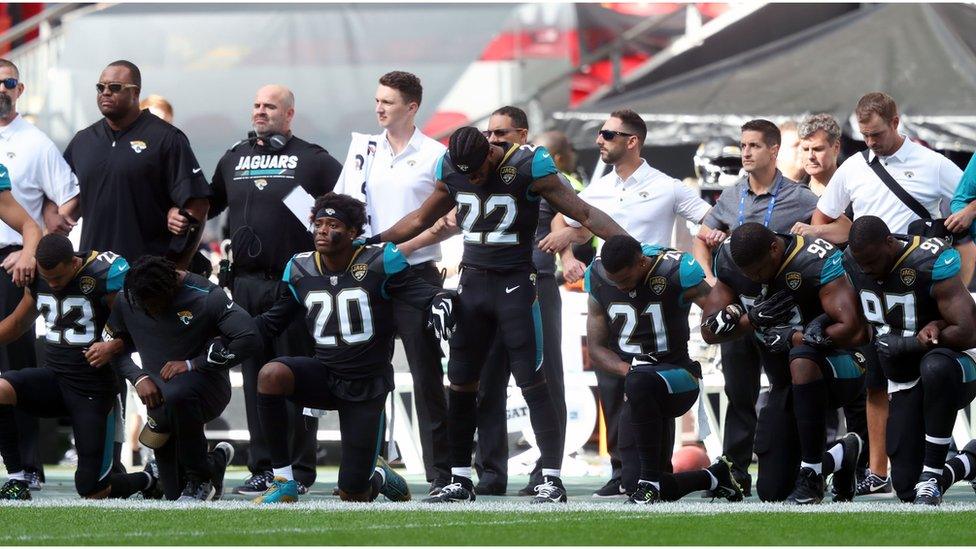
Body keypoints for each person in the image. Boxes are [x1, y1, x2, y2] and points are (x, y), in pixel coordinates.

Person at [361, 126, 627, 503]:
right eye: (464, 173)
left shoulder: (527, 163)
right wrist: (373, 243)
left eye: (477, 172)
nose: (472, 179)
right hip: (472, 285)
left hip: (516, 285)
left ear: (489, 151)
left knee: (533, 383)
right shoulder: (450, 167)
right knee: (461, 383)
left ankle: (551, 477)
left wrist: (626, 243)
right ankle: (458, 477)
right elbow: (421, 218)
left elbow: (581, 211)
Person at [541, 109, 711, 498]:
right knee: (612, 382)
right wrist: (568, 256)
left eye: (608, 134)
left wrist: (704, 255)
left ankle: (653, 469)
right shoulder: (597, 188)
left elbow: (709, 221)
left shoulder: (668, 186)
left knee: (654, 380)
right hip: (609, 293)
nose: (599, 140)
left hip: (659, 298)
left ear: (632, 141)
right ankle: (622, 469)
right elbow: (562, 221)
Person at [811, 92, 974, 495]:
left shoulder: (933, 164)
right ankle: (879, 469)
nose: (871, 142)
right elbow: (825, 217)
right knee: (877, 378)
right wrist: (824, 238)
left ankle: (940, 463)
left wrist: (962, 277)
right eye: (864, 135)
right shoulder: (853, 166)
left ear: (896, 122)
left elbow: (964, 216)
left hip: (923, 283)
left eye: (878, 133)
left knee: (931, 367)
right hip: (873, 284)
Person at [249, 192, 454, 504]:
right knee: (271, 374)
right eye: (318, 223)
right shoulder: (300, 268)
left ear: (354, 233)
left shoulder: (380, 261)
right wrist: (229, 335)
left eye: (333, 224)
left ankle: (380, 476)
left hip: (366, 385)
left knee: (352, 494)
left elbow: (420, 292)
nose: (322, 230)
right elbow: (273, 321)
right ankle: (283, 480)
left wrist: (440, 299)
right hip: (323, 375)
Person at [203, 84, 342, 497]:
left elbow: (350, 202)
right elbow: (207, 204)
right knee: (254, 375)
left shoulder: (313, 159)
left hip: (295, 283)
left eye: (270, 106)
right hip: (243, 284)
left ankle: (298, 468)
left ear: (290, 114)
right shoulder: (233, 156)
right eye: (257, 105)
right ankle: (264, 467)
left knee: (294, 376)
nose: (261, 112)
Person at [333, 71, 452, 495]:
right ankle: (365, 469)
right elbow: (345, 206)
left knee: (425, 374)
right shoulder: (364, 150)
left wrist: (399, 250)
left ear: (412, 106)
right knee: (365, 373)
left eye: (388, 101)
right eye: (377, 100)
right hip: (365, 274)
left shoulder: (437, 154)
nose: (379, 107)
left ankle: (443, 474)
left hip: (414, 272)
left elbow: (450, 220)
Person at [690, 119, 819, 496]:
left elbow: (834, 230)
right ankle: (735, 472)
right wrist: (713, 282)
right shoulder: (731, 195)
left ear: (774, 150)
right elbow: (701, 238)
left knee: (785, 387)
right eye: (742, 145)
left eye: (753, 146)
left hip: (781, 312)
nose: (745, 152)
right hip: (740, 309)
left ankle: (795, 464)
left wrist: (815, 231)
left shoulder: (801, 197)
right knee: (738, 392)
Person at [700, 223, 867, 503]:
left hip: (838, 369)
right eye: (747, 274)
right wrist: (750, 319)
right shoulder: (730, 259)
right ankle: (841, 455)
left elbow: (852, 329)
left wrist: (795, 337)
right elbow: (709, 331)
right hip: (786, 386)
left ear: (774, 248)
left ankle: (813, 478)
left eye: (758, 270)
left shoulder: (814, 260)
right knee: (772, 492)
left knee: (801, 358)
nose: (754, 278)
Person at [586, 234, 743, 504]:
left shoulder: (674, 270)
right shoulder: (598, 276)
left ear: (642, 263)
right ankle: (714, 477)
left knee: (640, 383)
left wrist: (734, 313)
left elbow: (719, 307)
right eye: (615, 281)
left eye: (624, 279)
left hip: (680, 376)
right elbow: (597, 349)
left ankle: (650, 484)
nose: (621, 287)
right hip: (637, 384)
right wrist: (631, 370)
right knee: (633, 483)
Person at [0, 234, 152, 500]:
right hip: (54, 379)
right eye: (48, 279)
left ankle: (150, 478)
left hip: (93, 389)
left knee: (92, 489)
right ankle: (17, 478)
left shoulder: (103, 274)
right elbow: (17, 324)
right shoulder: (39, 276)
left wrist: (112, 346)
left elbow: (139, 328)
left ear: (73, 263)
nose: (54, 285)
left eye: (58, 278)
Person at [472, 107, 573, 496]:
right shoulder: (478, 172)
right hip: (487, 285)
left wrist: (568, 250)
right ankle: (491, 472)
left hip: (535, 283)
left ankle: (548, 472)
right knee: (486, 381)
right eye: (489, 133)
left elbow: (572, 222)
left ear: (522, 133)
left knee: (545, 379)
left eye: (501, 133)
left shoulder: (541, 170)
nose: (493, 139)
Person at [843, 216, 976, 504]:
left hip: (954, 368)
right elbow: (853, 321)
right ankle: (968, 462)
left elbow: (968, 331)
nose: (869, 270)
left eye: (873, 261)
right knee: (905, 487)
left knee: (935, 366)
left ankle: (932, 476)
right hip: (904, 379)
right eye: (862, 263)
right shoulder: (852, 261)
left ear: (890, 242)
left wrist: (912, 342)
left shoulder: (928, 259)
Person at [104, 255, 260, 501]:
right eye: (141, 303)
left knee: (178, 393)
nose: (147, 309)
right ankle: (214, 462)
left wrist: (192, 364)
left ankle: (201, 479)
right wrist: (138, 377)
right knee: (172, 492)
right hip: (158, 401)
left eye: (152, 303)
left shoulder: (206, 295)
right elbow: (111, 348)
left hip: (204, 388)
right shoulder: (129, 297)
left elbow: (249, 337)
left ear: (170, 288)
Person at [0, 57, 73, 489]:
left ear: (19, 89)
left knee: (14, 368)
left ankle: (25, 466)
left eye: (7, 82)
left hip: (12, 265)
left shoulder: (36, 142)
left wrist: (33, 251)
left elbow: (67, 203)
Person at [64, 60, 211, 269]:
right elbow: (60, 197)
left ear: (135, 93)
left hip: (145, 275)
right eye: (101, 87)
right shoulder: (83, 141)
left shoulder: (167, 138)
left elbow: (198, 205)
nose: (105, 92)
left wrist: (178, 266)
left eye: (115, 87)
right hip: (92, 274)